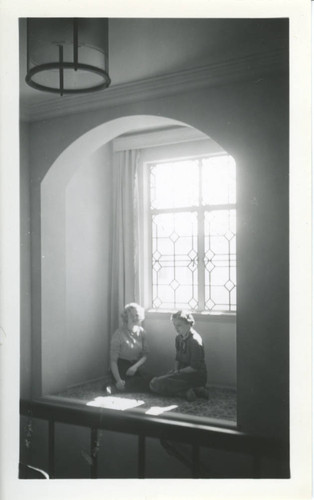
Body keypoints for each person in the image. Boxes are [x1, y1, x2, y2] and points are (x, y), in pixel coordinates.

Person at [149, 310, 209, 402]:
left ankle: (190, 389)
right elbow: (177, 358)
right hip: (182, 372)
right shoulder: (179, 338)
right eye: (174, 325)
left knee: (155, 383)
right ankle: (189, 391)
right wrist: (175, 370)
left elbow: (194, 367)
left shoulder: (195, 341)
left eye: (179, 325)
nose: (176, 328)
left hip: (195, 376)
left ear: (189, 324)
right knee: (156, 381)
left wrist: (178, 372)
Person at [107, 302, 151, 393]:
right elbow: (113, 361)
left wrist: (134, 367)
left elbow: (145, 355)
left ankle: (115, 387)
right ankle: (117, 385)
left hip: (135, 365)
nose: (135, 318)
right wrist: (118, 380)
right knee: (139, 383)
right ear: (126, 317)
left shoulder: (142, 332)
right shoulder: (118, 334)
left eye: (137, 315)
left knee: (150, 380)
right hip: (121, 366)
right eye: (131, 316)